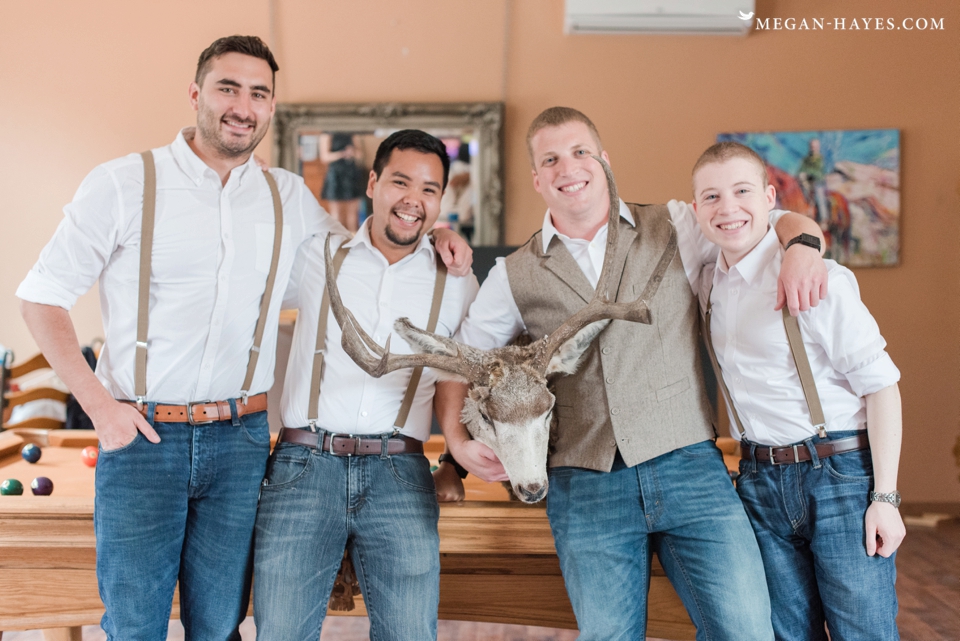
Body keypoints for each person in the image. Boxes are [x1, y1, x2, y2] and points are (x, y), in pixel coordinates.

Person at [16, 36, 470, 641]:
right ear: (195, 93)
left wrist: (439, 237)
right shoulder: (126, 183)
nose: (242, 106)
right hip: (143, 437)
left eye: (258, 93)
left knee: (219, 628)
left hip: (240, 441)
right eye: (227, 88)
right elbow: (40, 296)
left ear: (271, 107)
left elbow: (369, 255)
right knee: (134, 627)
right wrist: (100, 409)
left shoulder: (287, 197)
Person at [452, 107, 829, 640]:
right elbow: (460, 362)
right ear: (537, 179)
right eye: (551, 160)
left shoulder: (676, 224)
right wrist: (456, 442)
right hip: (585, 485)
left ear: (604, 161)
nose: (569, 168)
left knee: (747, 630)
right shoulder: (512, 274)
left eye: (580, 152)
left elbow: (777, 218)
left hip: (690, 469)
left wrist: (804, 248)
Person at [253, 129, 479, 641]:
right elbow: (246, 260)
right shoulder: (316, 255)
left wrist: (454, 460)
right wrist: (248, 178)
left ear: (440, 199)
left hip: (400, 472)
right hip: (302, 466)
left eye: (428, 189)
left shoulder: (459, 281)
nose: (413, 200)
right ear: (373, 183)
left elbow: (461, 375)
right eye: (401, 182)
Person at [690, 141, 904, 641]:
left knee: (863, 633)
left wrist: (886, 497)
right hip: (758, 479)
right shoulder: (706, 283)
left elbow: (882, 387)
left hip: (839, 476)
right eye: (712, 196)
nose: (728, 208)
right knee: (787, 634)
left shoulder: (820, 278)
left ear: (770, 198)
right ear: (696, 209)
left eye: (742, 191)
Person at [319, 131, 366, 232]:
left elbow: (360, 155)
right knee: (336, 213)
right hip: (335, 175)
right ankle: (337, 238)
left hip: (351, 174)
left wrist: (352, 152)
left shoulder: (352, 132)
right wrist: (342, 154)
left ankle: (353, 237)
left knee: (353, 213)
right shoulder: (326, 133)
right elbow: (324, 157)